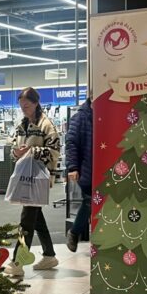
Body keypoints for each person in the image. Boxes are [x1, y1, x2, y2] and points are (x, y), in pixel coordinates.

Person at [5, 87, 60, 278]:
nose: (24, 109)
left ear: (36, 103)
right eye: (21, 106)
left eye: (27, 105)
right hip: (25, 177)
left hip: (38, 178)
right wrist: (16, 152)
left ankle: (17, 262)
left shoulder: (46, 124)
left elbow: (54, 151)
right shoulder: (22, 123)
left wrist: (30, 151)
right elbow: (13, 145)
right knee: (35, 218)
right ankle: (49, 255)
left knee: (26, 221)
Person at [64, 96, 92, 251]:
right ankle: (74, 232)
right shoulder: (80, 117)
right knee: (89, 202)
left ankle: (75, 233)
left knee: (92, 203)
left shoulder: (106, 114)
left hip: (103, 168)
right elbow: (71, 144)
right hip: (88, 169)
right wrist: (73, 167)